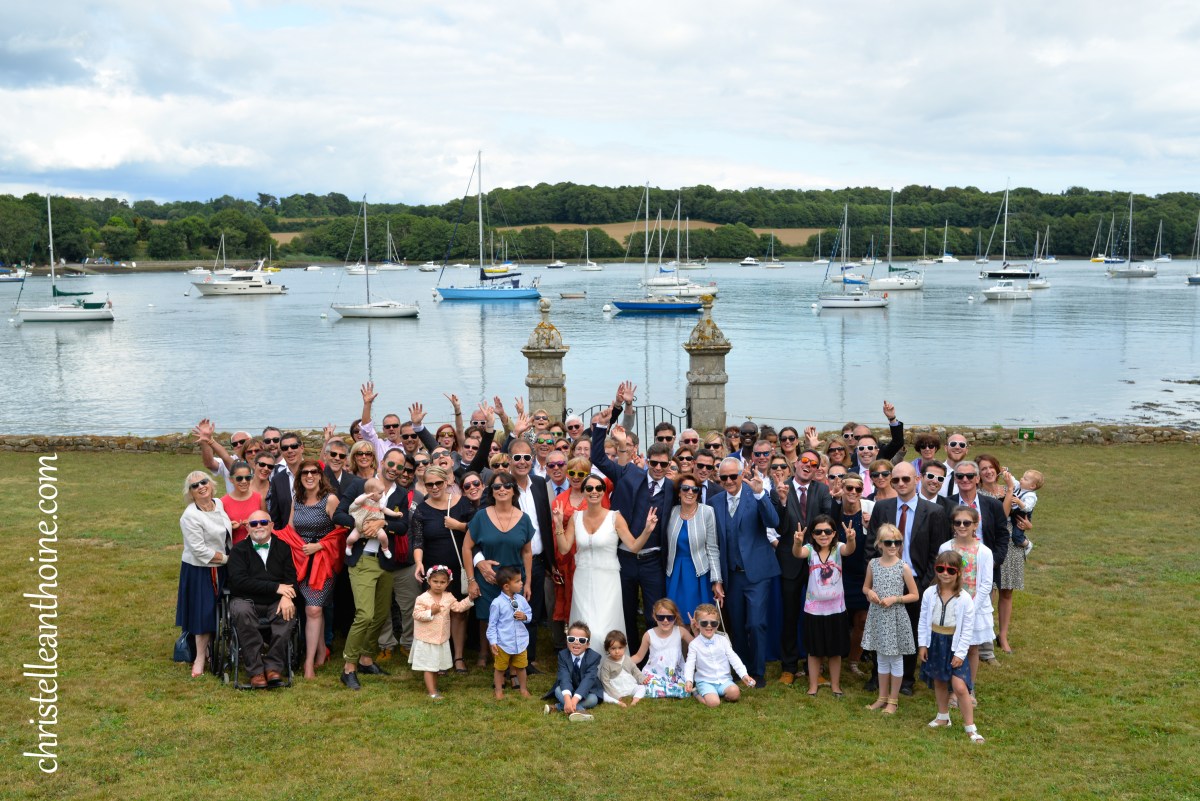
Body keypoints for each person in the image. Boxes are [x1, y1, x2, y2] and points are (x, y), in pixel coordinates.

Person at [589, 385, 672, 637]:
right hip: (624, 558)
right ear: (648, 461)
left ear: (669, 464)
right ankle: (629, 653)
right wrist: (601, 428)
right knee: (624, 612)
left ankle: (653, 655)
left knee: (654, 613)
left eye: (663, 464)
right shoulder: (628, 474)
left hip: (653, 560)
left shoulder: (673, 488)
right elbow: (598, 459)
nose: (658, 468)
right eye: (654, 463)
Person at [865, 460, 950, 695]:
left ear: (917, 480)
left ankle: (906, 680)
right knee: (881, 628)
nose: (901, 483)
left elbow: (937, 553)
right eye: (896, 479)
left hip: (915, 580)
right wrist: (874, 578)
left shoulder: (934, 512)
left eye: (906, 479)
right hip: (884, 577)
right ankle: (877, 675)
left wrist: (923, 585)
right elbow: (871, 544)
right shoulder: (882, 508)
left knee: (910, 631)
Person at [552, 475, 658, 653]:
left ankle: (610, 664)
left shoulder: (614, 517)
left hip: (608, 581)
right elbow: (564, 549)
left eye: (599, 488)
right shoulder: (575, 518)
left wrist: (647, 530)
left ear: (603, 492)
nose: (594, 492)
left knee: (604, 630)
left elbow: (633, 547)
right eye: (589, 488)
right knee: (584, 626)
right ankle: (584, 665)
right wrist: (557, 524)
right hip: (582, 579)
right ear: (583, 492)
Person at [709, 456, 779, 686]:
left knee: (756, 623)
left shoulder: (755, 494)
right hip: (732, 575)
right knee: (737, 625)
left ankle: (758, 672)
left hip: (757, 573)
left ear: (741, 475)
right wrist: (717, 578)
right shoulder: (715, 502)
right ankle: (743, 670)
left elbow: (773, 521)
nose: (729, 481)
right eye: (724, 477)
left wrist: (760, 495)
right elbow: (714, 542)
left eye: (733, 476)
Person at [773, 449, 833, 686]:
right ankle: (788, 667)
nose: (809, 465)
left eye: (814, 464)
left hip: (817, 562)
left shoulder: (822, 490)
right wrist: (782, 501)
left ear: (818, 469)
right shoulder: (781, 488)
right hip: (789, 562)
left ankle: (814, 667)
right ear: (796, 463)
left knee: (815, 617)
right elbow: (778, 526)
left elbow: (828, 520)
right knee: (789, 616)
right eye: (805, 461)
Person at [410, 465, 476, 674]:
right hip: (434, 571)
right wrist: (418, 562)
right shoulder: (422, 509)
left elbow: (478, 528)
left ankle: (458, 657)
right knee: (436, 613)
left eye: (438, 483)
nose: (434, 487)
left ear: (447, 482)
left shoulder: (462, 503)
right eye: (429, 484)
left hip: (458, 566)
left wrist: (458, 525)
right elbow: (418, 540)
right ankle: (437, 659)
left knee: (458, 613)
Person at [464, 471, 533, 666]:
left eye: (507, 486)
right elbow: (467, 548)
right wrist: (471, 580)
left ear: (514, 491)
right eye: (497, 486)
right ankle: (484, 653)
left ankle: (511, 659)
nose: (502, 489)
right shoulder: (480, 516)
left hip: (514, 581)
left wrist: (528, 582)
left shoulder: (524, 519)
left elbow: (527, 552)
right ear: (491, 491)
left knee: (512, 617)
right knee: (486, 617)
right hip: (488, 578)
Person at [225, 509, 298, 689]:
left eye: (263, 522)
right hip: (245, 599)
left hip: (275, 600)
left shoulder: (283, 547)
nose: (259, 526)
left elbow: (291, 579)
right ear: (247, 528)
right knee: (242, 613)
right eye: (254, 524)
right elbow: (240, 582)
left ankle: (273, 667)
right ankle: (256, 671)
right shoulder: (238, 551)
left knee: (287, 614)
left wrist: (286, 596)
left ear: (271, 526)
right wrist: (275, 587)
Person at [918, 551, 983, 743]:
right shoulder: (929, 593)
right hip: (935, 642)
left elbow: (967, 630)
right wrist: (923, 644)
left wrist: (960, 654)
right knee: (939, 680)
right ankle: (943, 716)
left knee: (959, 687)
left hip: (954, 645)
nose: (945, 573)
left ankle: (970, 727)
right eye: (941, 569)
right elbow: (923, 621)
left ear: (958, 572)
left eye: (950, 570)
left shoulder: (965, 599)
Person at [287, 459, 341, 679]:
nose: (309, 476)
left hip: (323, 562)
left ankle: (308, 663)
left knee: (313, 609)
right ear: (300, 477)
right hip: (302, 561)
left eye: (313, 472)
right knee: (313, 610)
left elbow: (341, 531)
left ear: (320, 475)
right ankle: (321, 652)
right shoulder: (297, 500)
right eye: (305, 473)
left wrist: (320, 546)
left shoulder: (330, 499)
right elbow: (290, 529)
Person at [176, 471, 231, 678]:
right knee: (203, 612)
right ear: (190, 493)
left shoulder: (219, 503)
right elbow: (199, 550)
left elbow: (220, 530)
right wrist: (227, 559)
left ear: (211, 484)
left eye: (203, 482)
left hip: (221, 566)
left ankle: (211, 649)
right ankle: (199, 658)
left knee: (219, 608)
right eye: (195, 485)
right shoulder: (190, 516)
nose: (200, 487)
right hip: (200, 568)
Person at [793, 514, 855, 697]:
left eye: (827, 531)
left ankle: (835, 685)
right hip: (814, 610)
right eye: (818, 531)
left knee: (835, 651)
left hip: (836, 609)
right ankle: (813, 686)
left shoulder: (838, 548)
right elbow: (798, 553)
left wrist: (851, 539)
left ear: (834, 533)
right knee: (814, 651)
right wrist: (797, 542)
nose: (823, 535)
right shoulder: (809, 549)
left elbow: (849, 550)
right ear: (812, 534)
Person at [861, 523, 919, 714]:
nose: (893, 546)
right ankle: (882, 697)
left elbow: (914, 594)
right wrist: (870, 593)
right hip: (878, 615)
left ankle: (893, 700)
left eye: (897, 542)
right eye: (888, 542)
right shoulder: (873, 564)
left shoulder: (903, 567)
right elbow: (865, 586)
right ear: (879, 544)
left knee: (896, 658)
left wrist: (895, 599)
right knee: (881, 657)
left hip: (895, 617)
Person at [938, 507, 995, 692]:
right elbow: (941, 577)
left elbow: (986, 584)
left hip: (974, 606)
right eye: (958, 522)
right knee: (950, 647)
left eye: (966, 523)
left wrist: (971, 608)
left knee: (971, 648)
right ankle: (952, 688)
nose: (962, 526)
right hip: (950, 605)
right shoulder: (946, 548)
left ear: (975, 525)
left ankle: (969, 688)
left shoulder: (984, 552)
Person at [664, 472, 723, 619]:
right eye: (685, 488)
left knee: (700, 619)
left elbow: (712, 548)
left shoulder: (707, 512)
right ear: (679, 492)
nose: (690, 492)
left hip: (699, 573)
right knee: (676, 619)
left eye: (695, 489)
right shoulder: (672, 512)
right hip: (675, 573)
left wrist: (717, 580)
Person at [411, 565, 475, 699]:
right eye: (435, 581)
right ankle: (432, 693)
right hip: (426, 639)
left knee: (436, 666)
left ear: (448, 583)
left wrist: (470, 599)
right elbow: (416, 614)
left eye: (442, 582)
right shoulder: (422, 598)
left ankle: (434, 688)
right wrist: (431, 612)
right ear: (429, 581)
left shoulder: (448, 597)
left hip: (441, 638)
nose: (438, 585)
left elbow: (458, 607)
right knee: (429, 667)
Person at [684, 603, 755, 707]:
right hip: (705, 681)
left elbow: (733, 658)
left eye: (713, 623)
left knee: (735, 693)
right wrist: (689, 681)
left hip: (724, 680)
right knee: (714, 703)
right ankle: (696, 693)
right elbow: (689, 664)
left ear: (717, 625)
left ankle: (717, 693)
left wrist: (744, 675)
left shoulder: (723, 640)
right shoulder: (694, 644)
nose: (709, 626)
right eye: (704, 623)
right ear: (697, 624)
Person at [630, 598, 693, 698]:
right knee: (648, 687)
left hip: (675, 674)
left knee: (684, 690)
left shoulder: (680, 631)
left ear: (675, 617)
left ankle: (667, 689)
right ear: (654, 616)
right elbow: (638, 656)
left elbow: (697, 646)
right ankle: (662, 689)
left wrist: (696, 631)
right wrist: (621, 662)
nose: (665, 620)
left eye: (670, 617)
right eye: (661, 617)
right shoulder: (649, 635)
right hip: (654, 673)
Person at [487, 566, 533, 699]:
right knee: (500, 668)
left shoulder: (521, 600)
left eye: (521, 580)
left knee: (521, 667)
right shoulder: (497, 603)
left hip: (520, 642)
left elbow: (529, 614)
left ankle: (523, 689)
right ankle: (498, 691)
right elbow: (492, 625)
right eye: (517, 581)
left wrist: (524, 616)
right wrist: (493, 642)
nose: (521, 583)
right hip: (503, 643)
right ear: (507, 586)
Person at [546, 622, 602, 721]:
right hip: (568, 689)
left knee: (593, 699)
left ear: (587, 644)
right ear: (567, 641)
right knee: (558, 690)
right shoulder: (563, 655)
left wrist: (574, 700)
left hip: (586, 691)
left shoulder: (594, 657)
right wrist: (567, 699)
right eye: (572, 639)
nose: (576, 643)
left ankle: (558, 707)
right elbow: (564, 677)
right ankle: (580, 712)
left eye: (581, 640)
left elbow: (588, 680)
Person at [599, 630, 646, 707]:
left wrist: (642, 678)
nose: (617, 651)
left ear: (625, 647)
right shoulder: (606, 664)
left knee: (642, 688)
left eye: (620, 648)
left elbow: (635, 670)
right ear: (608, 649)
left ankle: (635, 699)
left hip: (630, 687)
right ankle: (618, 702)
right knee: (603, 694)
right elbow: (605, 681)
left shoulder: (627, 659)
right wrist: (615, 695)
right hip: (616, 689)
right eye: (613, 648)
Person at [220, 460, 263, 545]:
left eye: (247, 478)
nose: (244, 481)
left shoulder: (259, 498)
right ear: (231, 479)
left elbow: (267, 524)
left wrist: (254, 524)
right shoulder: (222, 502)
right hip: (234, 548)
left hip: (257, 546)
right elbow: (219, 530)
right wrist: (230, 527)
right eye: (239, 478)